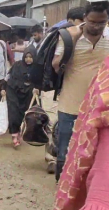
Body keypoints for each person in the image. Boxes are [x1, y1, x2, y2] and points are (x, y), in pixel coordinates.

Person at [52, 1, 109, 183]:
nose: (97, 26)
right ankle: (62, 189)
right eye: (92, 21)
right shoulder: (69, 36)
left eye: (102, 22)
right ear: (84, 18)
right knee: (65, 152)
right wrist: (72, 42)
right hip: (70, 105)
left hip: (99, 107)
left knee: (93, 152)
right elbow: (56, 66)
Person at [54, 57, 109, 210]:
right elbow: (54, 67)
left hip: (89, 118)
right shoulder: (69, 42)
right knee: (64, 153)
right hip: (71, 108)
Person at [44, 6, 85, 175]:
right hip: (61, 90)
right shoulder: (65, 34)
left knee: (58, 125)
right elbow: (55, 64)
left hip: (60, 90)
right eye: (82, 21)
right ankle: (54, 159)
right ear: (74, 20)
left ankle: (54, 158)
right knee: (59, 125)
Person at [2, 47, 37, 147]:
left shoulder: (37, 68)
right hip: (13, 91)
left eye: (31, 57)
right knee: (13, 113)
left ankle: (20, 133)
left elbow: (39, 82)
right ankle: (14, 136)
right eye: (26, 57)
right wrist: (3, 88)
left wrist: (36, 88)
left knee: (24, 114)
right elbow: (7, 77)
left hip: (28, 94)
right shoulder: (17, 65)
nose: (28, 59)